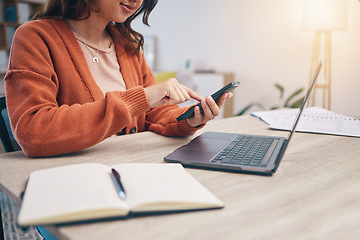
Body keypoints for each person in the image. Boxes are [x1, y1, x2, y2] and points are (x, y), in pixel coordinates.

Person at [5, 0, 232, 158]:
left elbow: (152, 112)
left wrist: (188, 119)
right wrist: (141, 97)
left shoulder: (127, 43)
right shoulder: (35, 37)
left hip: (131, 169)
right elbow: (32, 131)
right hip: (73, 182)